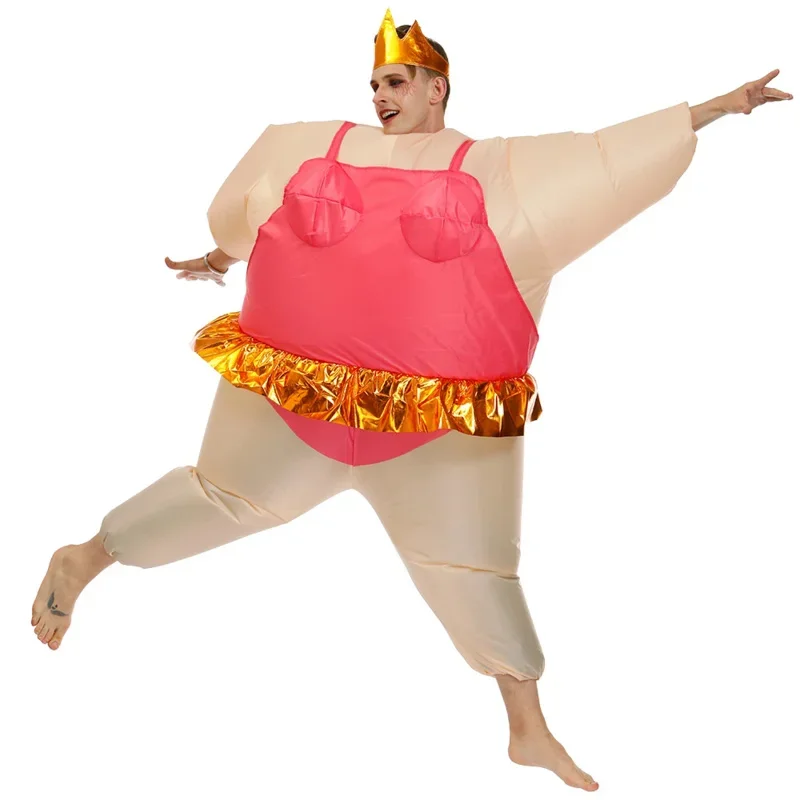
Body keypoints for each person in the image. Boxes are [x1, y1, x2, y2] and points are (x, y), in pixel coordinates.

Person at [31, 8, 791, 792]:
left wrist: (716, 107)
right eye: (374, 84)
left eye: (395, 82)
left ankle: (527, 731)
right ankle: (85, 556)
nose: (379, 96)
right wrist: (218, 257)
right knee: (221, 498)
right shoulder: (314, 146)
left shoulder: (498, 170)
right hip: (298, 402)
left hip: (434, 430)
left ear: (438, 88)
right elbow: (252, 210)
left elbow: (604, 159)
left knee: (476, 570)